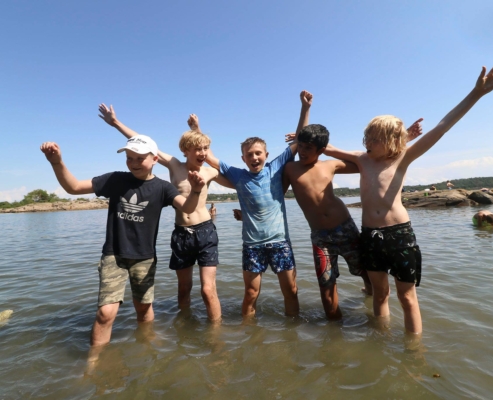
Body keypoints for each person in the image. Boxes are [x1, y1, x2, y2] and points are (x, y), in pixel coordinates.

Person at [323, 65, 493, 334]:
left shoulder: (403, 157)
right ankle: (381, 344)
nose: (367, 142)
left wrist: (477, 93)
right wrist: (301, 137)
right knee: (380, 295)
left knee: (407, 297)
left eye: (374, 138)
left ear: (392, 141)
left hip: (399, 235)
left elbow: (442, 127)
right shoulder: (361, 158)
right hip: (370, 236)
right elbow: (327, 147)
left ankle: (413, 351)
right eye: (367, 137)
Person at [40, 136, 205, 346]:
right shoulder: (115, 180)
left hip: (144, 258)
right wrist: (57, 162)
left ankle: (146, 350)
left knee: (144, 309)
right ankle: (95, 359)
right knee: (105, 313)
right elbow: (73, 187)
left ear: (155, 159)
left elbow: (188, 207)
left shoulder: (163, 187)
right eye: (129, 158)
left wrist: (196, 191)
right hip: (113, 255)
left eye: (140, 158)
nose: (134, 163)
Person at [98, 105, 233, 323]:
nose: (202, 153)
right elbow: (144, 144)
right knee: (184, 289)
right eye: (197, 149)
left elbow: (240, 184)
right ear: (185, 150)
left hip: (206, 232)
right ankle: (185, 328)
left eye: (205, 149)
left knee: (208, 290)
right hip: (182, 233)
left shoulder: (210, 172)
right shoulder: (174, 165)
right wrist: (115, 123)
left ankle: (216, 335)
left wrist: (197, 130)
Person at [283, 114, 422, 319]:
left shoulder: (331, 165)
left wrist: (402, 140)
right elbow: (275, 195)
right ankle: (335, 329)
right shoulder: (290, 168)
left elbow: (375, 160)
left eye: (308, 148)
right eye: (300, 146)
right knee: (326, 287)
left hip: (345, 228)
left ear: (321, 150)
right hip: (320, 237)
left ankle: (372, 303)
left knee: (366, 274)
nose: (302, 151)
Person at [204, 91, 313, 318]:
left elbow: (298, 141)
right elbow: (210, 158)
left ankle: (292, 330)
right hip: (252, 245)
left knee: (291, 291)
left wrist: (305, 108)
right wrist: (197, 129)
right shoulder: (238, 175)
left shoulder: (276, 168)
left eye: (258, 153)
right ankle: (247, 331)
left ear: (266, 154)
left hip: (280, 242)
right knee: (251, 293)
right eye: (249, 154)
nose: (254, 157)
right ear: (243, 158)